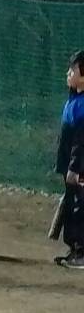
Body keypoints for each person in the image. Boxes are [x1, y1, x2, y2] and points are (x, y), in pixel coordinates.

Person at [54, 50, 84, 269]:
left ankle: (82, 252)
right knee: (73, 204)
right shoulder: (74, 98)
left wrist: (75, 168)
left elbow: (81, 142)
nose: (68, 73)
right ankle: (75, 249)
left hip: (79, 167)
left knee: (80, 206)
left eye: (72, 70)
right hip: (70, 166)